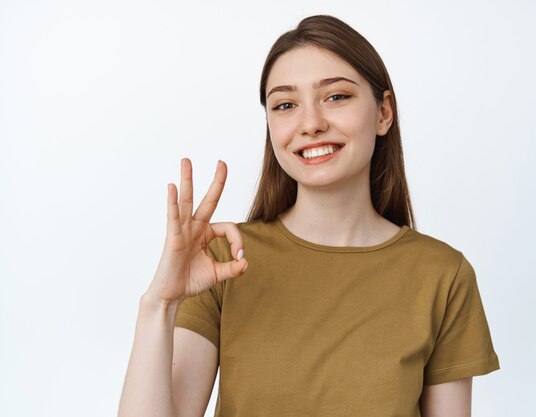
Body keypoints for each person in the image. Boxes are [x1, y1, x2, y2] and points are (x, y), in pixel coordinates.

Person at [118, 14, 500, 417]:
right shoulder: (225, 258)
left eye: (336, 97)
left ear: (384, 112)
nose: (311, 124)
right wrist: (160, 303)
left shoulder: (443, 275)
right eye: (285, 105)